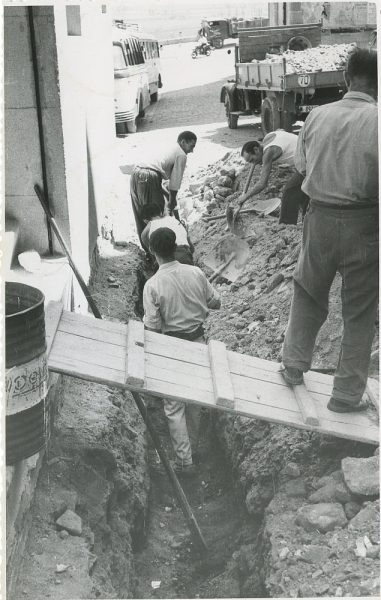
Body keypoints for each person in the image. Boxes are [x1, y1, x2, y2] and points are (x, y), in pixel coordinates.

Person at [280, 48, 378, 413]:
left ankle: (293, 365)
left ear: (345, 79)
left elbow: (302, 168)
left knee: (308, 291)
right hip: (365, 225)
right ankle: (345, 396)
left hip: (319, 219)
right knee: (359, 311)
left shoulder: (317, 116)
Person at [143, 227, 221, 475]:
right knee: (195, 401)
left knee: (174, 406)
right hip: (198, 344)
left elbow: (152, 326)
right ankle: (194, 449)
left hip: (171, 348)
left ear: (153, 251)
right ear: (175, 246)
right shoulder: (196, 272)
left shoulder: (153, 285)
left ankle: (184, 461)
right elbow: (216, 302)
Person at [130, 131, 197, 253]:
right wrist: (172, 201)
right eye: (191, 146)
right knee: (156, 218)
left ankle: (150, 255)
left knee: (143, 216)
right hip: (149, 176)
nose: (192, 151)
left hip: (135, 174)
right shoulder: (181, 154)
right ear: (183, 142)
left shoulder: (168, 148)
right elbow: (175, 183)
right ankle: (162, 255)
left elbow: (164, 186)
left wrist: (170, 199)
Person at [234, 130, 309, 224]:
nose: (254, 164)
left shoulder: (269, 152)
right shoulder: (269, 136)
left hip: (308, 162)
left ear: (256, 149)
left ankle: (286, 225)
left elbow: (262, 184)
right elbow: (280, 130)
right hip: (308, 156)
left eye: (252, 160)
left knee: (289, 191)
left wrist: (245, 197)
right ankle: (307, 220)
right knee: (303, 190)